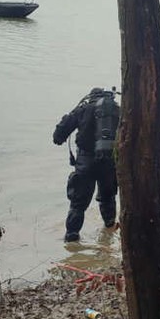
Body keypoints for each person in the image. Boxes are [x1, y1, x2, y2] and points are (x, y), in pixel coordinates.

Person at [53, 88, 120, 242]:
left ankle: (72, 240)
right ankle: (109, 234)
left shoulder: (83, 109)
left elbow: (58, 136)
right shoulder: (117, 111)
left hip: (85, 163)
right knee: (108, 198)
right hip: (109, 163)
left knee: (78, 205)